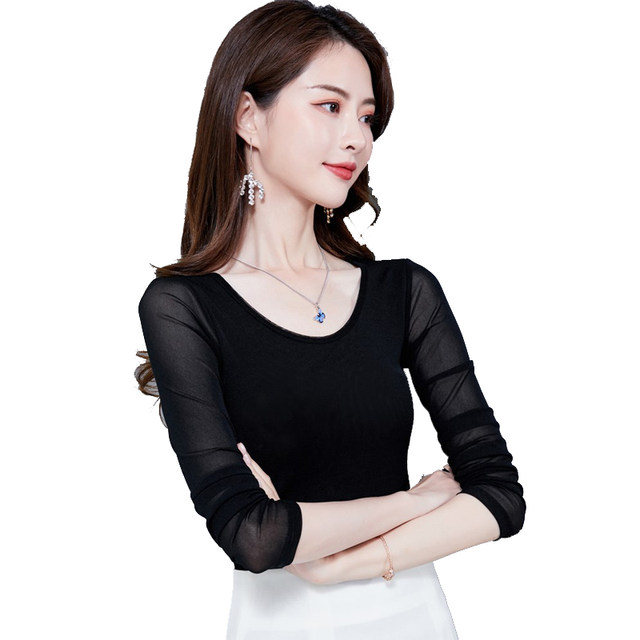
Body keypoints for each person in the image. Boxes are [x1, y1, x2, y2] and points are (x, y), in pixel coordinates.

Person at [135, 1, 526, 637]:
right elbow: (251, 535)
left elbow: (501, 496)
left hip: (414, 618)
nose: (357, 138)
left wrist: (337, 563)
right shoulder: (184, 306)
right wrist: (418, 501)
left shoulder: (403, 291)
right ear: (248, 117)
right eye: (329, 106)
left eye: (367, 116)